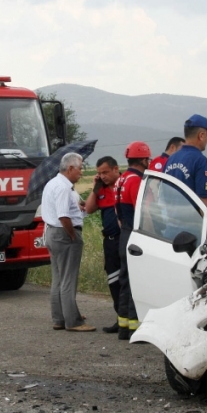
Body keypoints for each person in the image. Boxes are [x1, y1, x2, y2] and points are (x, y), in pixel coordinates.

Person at [40, 152, 95, 332]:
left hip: (51, 233)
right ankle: (73, 321)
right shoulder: (64, 188)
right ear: (70, 168)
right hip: (64, 234)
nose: (81, 173)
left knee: (58, 278)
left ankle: (59, 318)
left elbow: (65, 210)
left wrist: (78, 208)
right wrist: (72, 235)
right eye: (80, 168)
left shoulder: (53, 184)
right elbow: (63, 215)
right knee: (68, 279)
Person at [114, 141, 151, 340]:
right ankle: (135, 329)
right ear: (143, 159)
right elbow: (143, 212)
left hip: (124, 234)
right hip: (135, 234)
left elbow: (117, 210)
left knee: (125, 281)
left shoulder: (122, 179)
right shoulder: (136, 180)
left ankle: (123, 327)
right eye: (148, 159)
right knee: (135, 282)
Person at [84, 156, 122, 334]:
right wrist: (96, 188)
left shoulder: (125, 184)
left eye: (105, 172)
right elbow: (89, 209)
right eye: (99, 173)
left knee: (128, 281)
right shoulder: (101, 190)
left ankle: (132, 317)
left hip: (125, 239)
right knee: (114, 280)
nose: (103, 176)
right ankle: (120, 317)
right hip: (110, 242)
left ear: (116, 169)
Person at [164, 115, 207, 233]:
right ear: (201, 135)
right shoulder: (200, 160)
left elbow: (163, 193)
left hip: (170, 227)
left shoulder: (171, 159)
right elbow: (205, 199)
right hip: (192, 231)